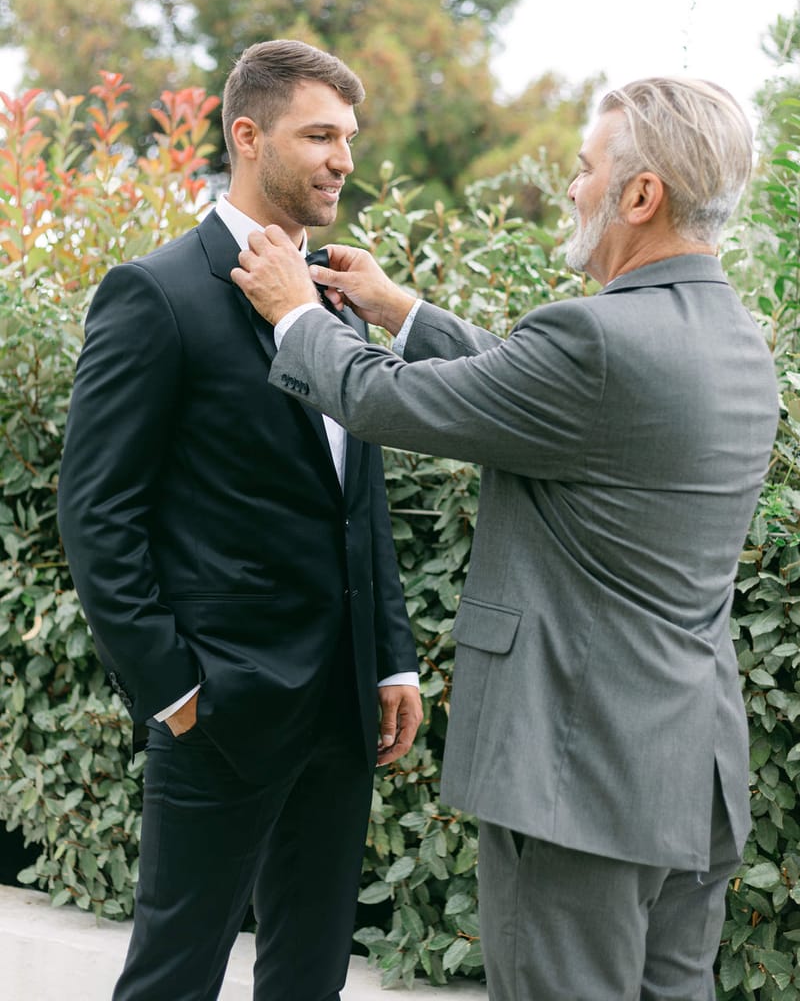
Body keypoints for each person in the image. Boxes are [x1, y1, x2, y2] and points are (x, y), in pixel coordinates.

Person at [230, 77, 780, 1001]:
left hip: (581, 776)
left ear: (640, 197)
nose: (571, 187)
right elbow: (545, 393)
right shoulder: (734, 337)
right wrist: (406, 313)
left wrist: (292, 311)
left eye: (584, 168)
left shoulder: (600, 340)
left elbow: (384, 401)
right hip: (692, 770)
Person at [57, 38, 422, 1001]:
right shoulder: (158, 293)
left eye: (349, 137)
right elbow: (97, 510)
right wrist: (172, 687)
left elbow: (357, 499)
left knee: (309, 979)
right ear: (247, 135)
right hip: (219, 712)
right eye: (320, 135)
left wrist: (389, 655)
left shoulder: (335, 303)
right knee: (173, 979)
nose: (344, 158)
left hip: (342, 713)